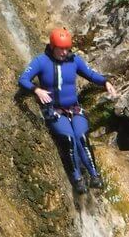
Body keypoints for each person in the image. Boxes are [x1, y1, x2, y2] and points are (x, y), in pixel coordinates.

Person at [18, 27, 119, 194]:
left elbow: (91, 74)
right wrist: (36, 90)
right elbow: (23, 79)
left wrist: (105, 82)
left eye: (67, 48)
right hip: (54, 110)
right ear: (52, 47)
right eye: (61, 49)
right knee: (69, 139)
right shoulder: (41, 61)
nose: (64, 52)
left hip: (74, 109)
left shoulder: (75, 61)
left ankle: (95, 176)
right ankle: (77, 178)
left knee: (82, 137)